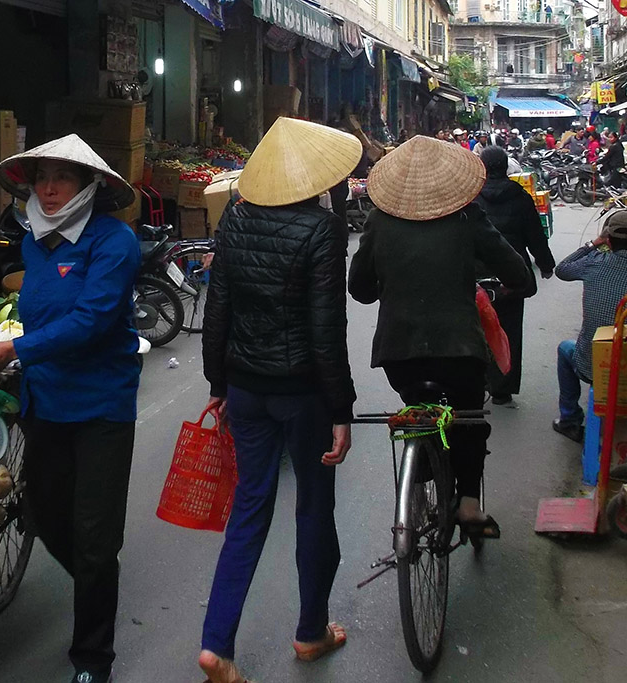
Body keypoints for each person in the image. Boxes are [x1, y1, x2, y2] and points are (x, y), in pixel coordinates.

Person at [199, 117, 359, 683]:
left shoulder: (236, 221)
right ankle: (310, 632)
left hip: (245, 389)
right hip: (302, 397)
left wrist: (218, 385)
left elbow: (216, 311)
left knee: (248, 510)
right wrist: (342, 409)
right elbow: (326, 329)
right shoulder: (321, 230)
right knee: (314, 509)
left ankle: (216, 644)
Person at [0, 134, 141, 683]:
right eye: (41, 177)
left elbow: (91, 322)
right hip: (44, 402)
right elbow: (37, 315)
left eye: (62, 178)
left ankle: (92, 659)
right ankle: (99, 582)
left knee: (96, 540)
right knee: (45, 517)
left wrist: (16, 349)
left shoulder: (115, 242)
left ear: (88, 186)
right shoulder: (35, 245)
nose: (48, 189)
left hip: (101, 408)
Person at [348, 136, 530, 541]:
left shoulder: (379, 220)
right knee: (469, 417)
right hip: (459, 350)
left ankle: (425, 460)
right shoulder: (467, 216)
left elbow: (359, 289)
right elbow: (518, 273)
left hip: (399, 353)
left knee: (419, 409)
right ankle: (468, 504)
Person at [552, 211, 627, 443]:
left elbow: (563, 269)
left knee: (565, 349)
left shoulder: (594, 263)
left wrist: (594, 243)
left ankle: (569, 420)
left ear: (608, 241)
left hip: (590, 364)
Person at [474, 147, 556, 405]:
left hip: (477, 276)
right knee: (509, 330)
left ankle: (479, 381)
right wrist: (545, 264)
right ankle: (502, 388)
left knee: (477, 329)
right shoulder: (520, 197)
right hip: (510, 276)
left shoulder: (473, 197)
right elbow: (535, 235)